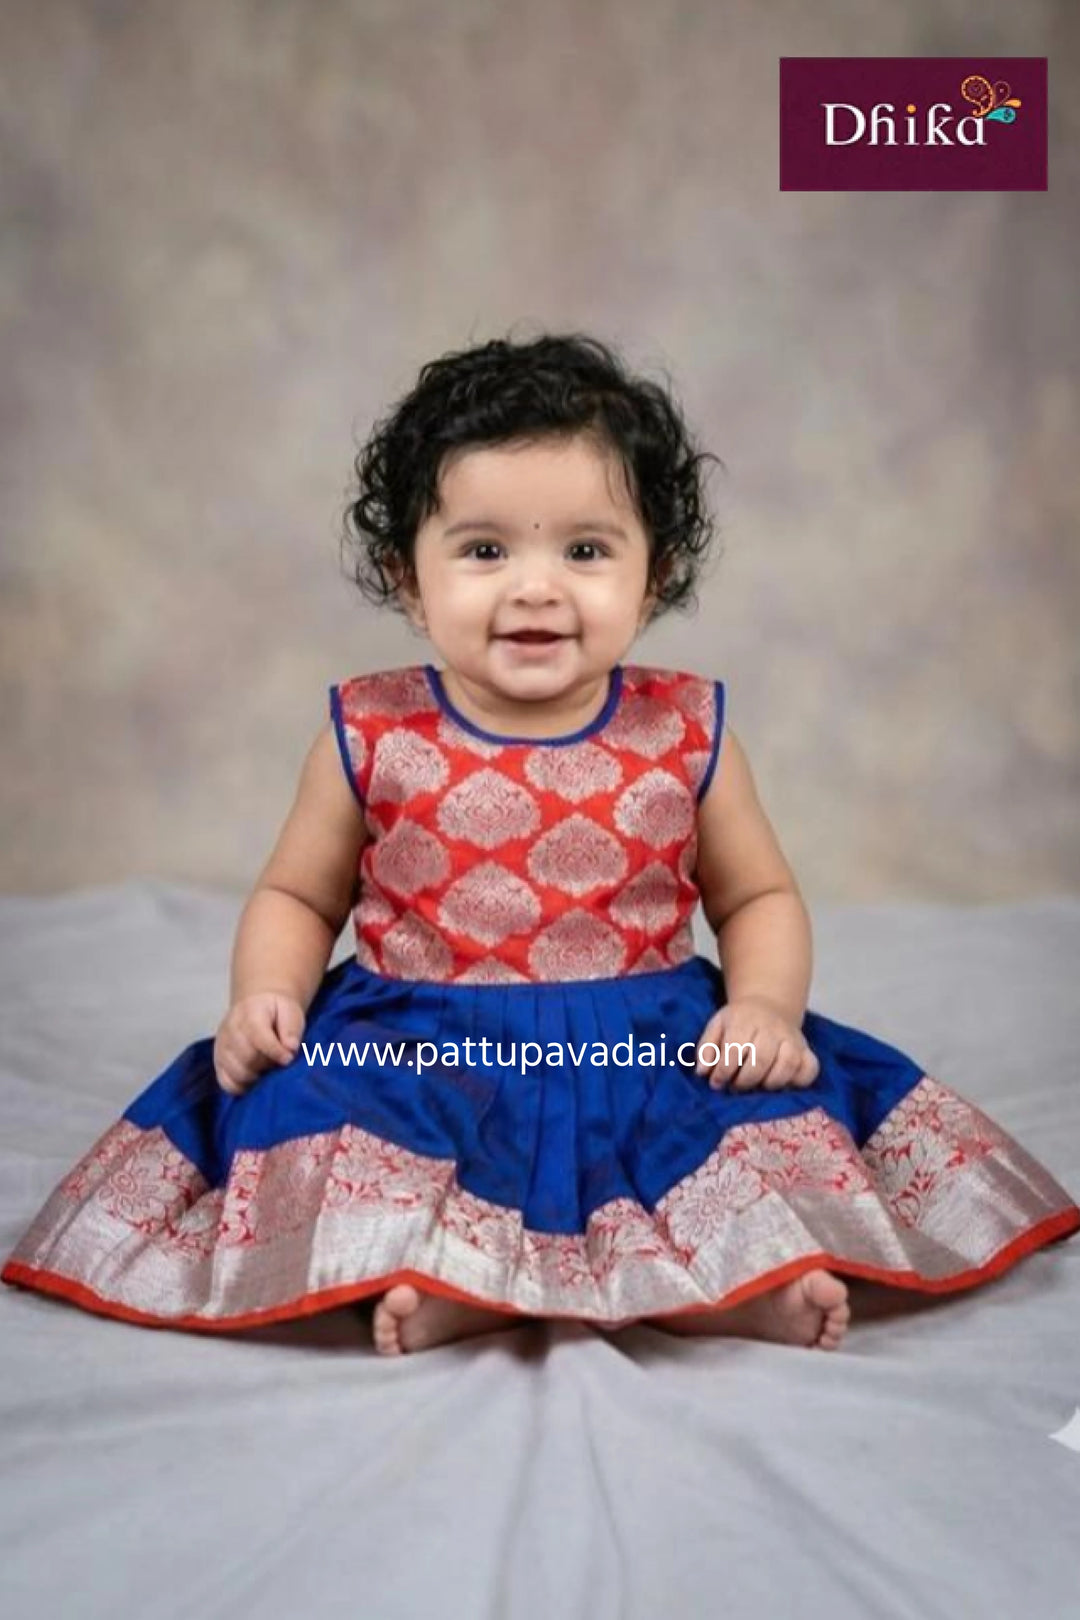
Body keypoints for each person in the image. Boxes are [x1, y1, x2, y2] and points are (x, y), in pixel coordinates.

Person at [4, 333, 1078, 1356]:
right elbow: (297, 893)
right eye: (482, 549)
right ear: (406, 577)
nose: (535, 585)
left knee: (757, 1110)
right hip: (418, 1044)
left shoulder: (688, 732)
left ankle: (728, 1292)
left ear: (652, 578)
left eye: (585, 549)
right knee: (309, 1100)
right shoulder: (372, 733)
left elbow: (758, 901)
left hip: (644, 1039)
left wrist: (763, 1008)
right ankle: (445, 1287)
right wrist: (263, 995)